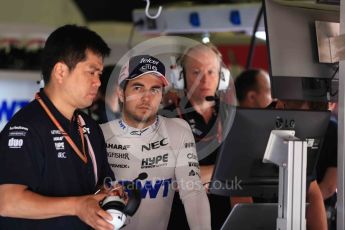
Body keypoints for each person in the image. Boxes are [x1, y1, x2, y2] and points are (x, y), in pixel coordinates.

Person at [0, 24, 117, 230]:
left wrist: (110, 195)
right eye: (91, 72)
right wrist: (77, 206)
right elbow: (8, 202)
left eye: (99, 74)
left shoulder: (89, 127)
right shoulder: (26, 128)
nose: (98, 82)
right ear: (61, 71)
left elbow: (100, 187)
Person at [100, 54, 211, 230]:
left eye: (155, 89)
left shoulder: (178, 130)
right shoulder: (100, 134)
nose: (146, 97)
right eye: (138, 88)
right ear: (121, 93)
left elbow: (193, 192)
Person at [161, 43, 233, 229]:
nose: (205, 80)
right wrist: (223, 172)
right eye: (196, 72)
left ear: (222, 77)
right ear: (181, 77)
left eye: (211, 72)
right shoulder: (164, 119)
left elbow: (244, 171)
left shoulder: (234, 117)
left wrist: (207, 174)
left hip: (226, 219)